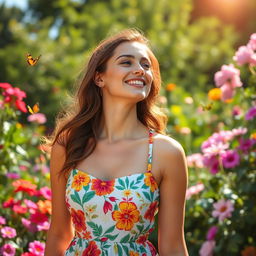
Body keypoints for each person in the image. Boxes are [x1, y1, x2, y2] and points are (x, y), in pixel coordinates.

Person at [44, 28, 189, 256]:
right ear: (99, 77)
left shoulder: (166, 153)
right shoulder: (68, 145)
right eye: (126, 62)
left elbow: (173, 247)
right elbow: (59, 234)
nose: (139, 70)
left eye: (146, 65)